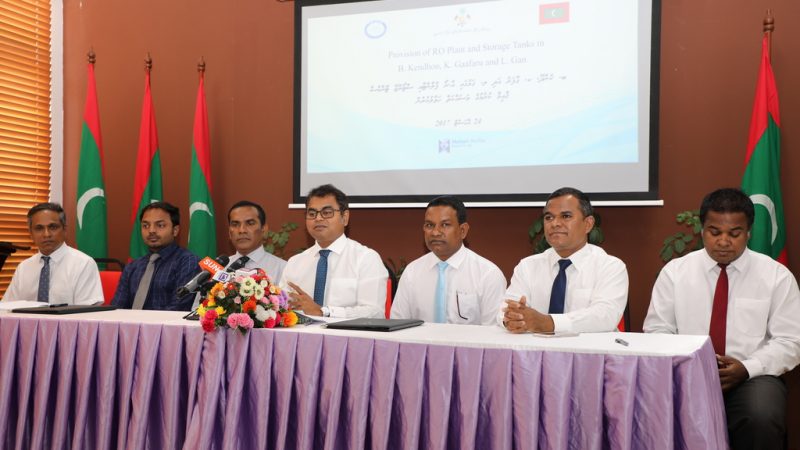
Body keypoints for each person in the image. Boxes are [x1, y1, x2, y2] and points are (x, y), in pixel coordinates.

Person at [644, 188, 800, 450]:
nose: (724, 241)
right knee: (652, 409)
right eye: (714, 232)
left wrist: (747, 368)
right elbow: (657, 330)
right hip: (686, 372)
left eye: (734, 233)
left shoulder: (776, 276)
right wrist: (690, 365)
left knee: (761, 415)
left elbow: (790, 341)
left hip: (753, 375)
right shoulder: (675, 273)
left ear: (748, 233)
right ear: (702, 229)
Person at [501, 187, 628, 333]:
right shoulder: (528, 266)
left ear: (588, 224)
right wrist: (513, 318)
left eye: (566, 216)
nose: (555, 223)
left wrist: (547, 323)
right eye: (549, 217)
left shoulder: (610, 267)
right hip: (534, 347)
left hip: (589, 347)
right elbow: (504, 310)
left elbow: (604, 317)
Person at [391, 195, 506, 324]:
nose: (435, 232)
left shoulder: (487, 275)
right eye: (429, 225)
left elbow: (493, 331)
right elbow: (397, 325)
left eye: (445, 225)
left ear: (463, 230)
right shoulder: (412, 272)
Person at [280, 184, 387, 318]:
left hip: (346, 332)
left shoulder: (366, 259)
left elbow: (374, 312)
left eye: (327, 213)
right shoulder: (295, 263)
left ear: (345, 217)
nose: (318, 218)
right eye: (312, 214)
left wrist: (324, 312)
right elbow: (280, 306)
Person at [4, 202, 103, 305]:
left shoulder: (84, 264)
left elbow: (86, 311)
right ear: (31, 233)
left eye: (53, 227)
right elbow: (7, 307)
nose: (46, 234)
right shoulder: (24, 267)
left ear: (64, 229)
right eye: (39, 228)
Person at [112, 202, 199, 310]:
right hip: (128, 321)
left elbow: (179, 308)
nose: (151, 230)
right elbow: (116, 308)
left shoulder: (188, 262)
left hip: (166, 321)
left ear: (175, 230)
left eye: (160, 225)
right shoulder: (132, 267)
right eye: (145, 226)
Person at [225, 200, 287, 282]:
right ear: (229, 232)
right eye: (235, 224)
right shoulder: (220, 269)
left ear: (264, 229)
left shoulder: (283, 269)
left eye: (250, 223)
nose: (242, 230)